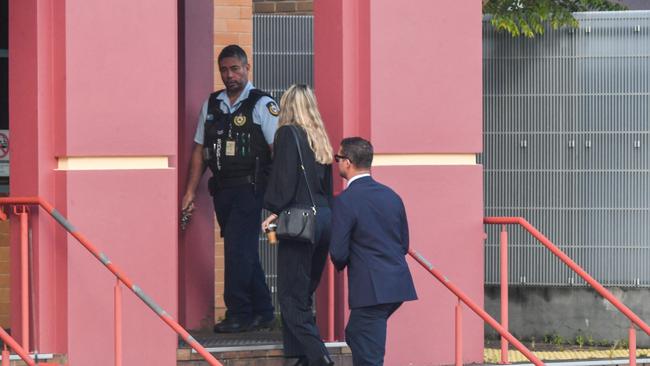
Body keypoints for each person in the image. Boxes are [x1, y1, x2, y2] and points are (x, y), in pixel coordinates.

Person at [181, 45, 277, 333]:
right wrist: (189, 191)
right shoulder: (213, 104)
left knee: (237, 250)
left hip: (251, 188)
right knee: (243, 249)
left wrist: (278, 196)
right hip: (222, 190)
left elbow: (277, 150)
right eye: (224, 69)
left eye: (235, 68)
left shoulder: (263, 104)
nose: (229, 74)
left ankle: (239, 313)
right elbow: (199, 150)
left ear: (247, 68)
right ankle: (264, 311)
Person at [261, 84, 335, 366]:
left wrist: (274, 211)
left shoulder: (287, 134)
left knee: (291, 299)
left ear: (288, 105)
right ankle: (299, 357)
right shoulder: (320, 137)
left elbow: (284, 180)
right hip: (324, 220)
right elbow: (325, 187)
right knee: (303, 295)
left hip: (300, 223)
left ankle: (319, 358)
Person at [329, 137, 418, 366]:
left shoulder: (346, 201)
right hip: (396, 283)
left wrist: (343, 262)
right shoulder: (391, 196)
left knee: (367, 348)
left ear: (347, 162)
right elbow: (403, 242)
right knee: (358, 334)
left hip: (371, 288)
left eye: (338, 158)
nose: (336, 162)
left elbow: (338, 251)